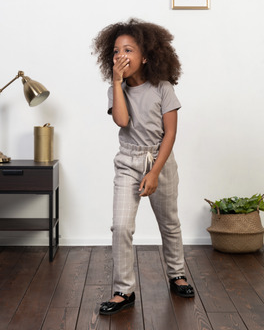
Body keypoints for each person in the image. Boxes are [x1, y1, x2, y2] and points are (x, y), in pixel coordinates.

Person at [92, 18, 194, 316]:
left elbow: (171, 133)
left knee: (169, 222)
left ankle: (177, 274)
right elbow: (122, 122)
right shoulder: (117, 89)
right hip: (128, 160)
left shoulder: (163, 88)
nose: (120, 56)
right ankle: (123, 290)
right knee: (121, 226)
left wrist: (154, 172)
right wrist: (115, 81)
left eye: (128, 50)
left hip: (159, 160)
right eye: (115, 51)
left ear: (146, 55)